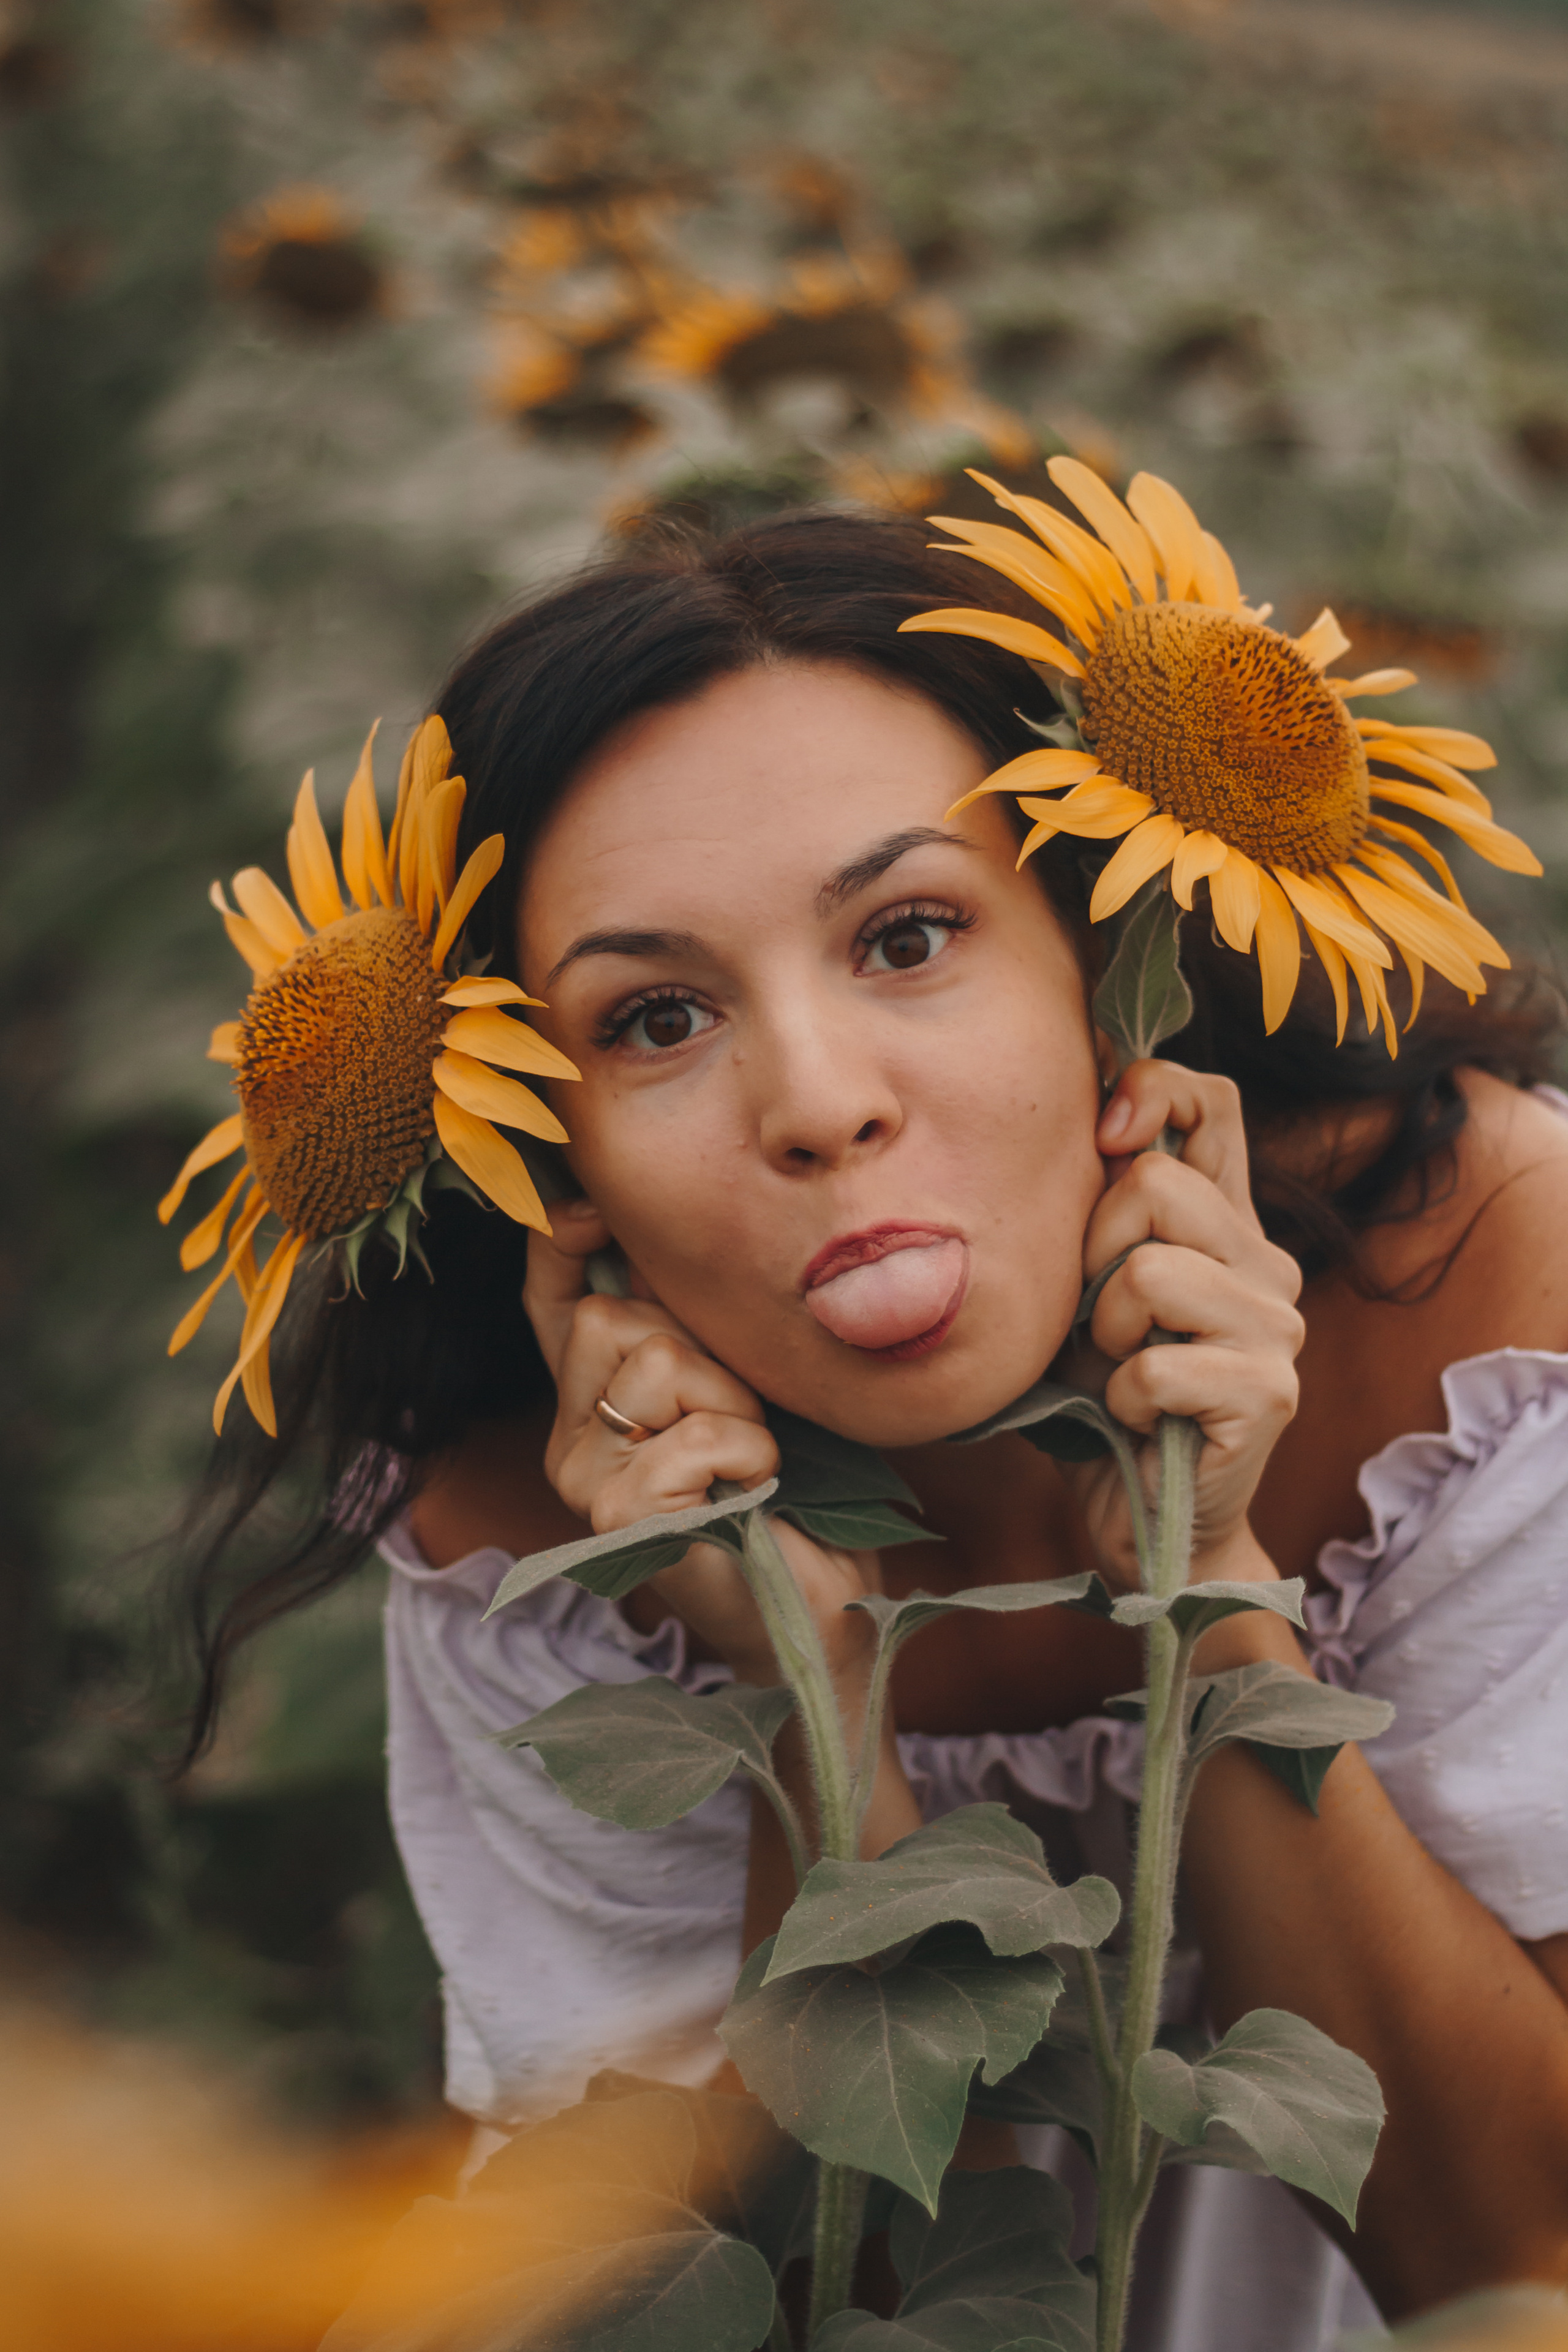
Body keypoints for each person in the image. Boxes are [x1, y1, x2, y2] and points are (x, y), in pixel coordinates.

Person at [174, 507, 1568, 2348]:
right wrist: (808, 1717)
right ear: (543, 1149)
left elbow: (1514, 2264)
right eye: (657, 1016)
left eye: (909, 935)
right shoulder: (532, 1528)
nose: (819, 1103)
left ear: (1105, 966)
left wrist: (1211, 1580)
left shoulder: (1480, 1305)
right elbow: (844, 2302)